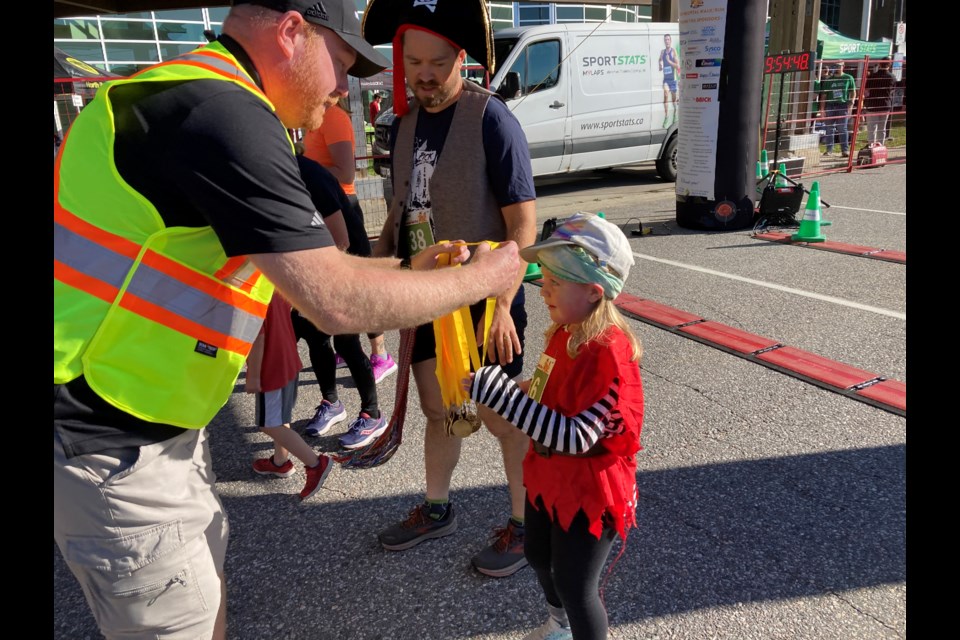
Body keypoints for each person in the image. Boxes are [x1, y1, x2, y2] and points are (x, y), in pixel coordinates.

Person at [53, 1, 521, 638]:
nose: (341, 88)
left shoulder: (181, 94)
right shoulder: (224, 113)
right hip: (111, 433)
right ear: (292, 31)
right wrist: (482, 278)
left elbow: (321, 274)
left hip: (135, 419)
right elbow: (332, 302)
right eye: (341, 62)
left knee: (202, 600)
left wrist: (420, 273)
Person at [363, 0, 538, 577]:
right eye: (414, 61)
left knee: (501, 417)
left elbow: (523, 226)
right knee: (438, 409)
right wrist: (377, 272)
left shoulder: (491, 118)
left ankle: (524, 524)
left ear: (461, 58)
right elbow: (405, 209)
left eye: (438, 61)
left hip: (486, 299)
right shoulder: (404, 122)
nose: (425, 73)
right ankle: (439, 509)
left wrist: (506, 306)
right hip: (426, 295)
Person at [466, 212, 645, 640]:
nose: (542, 289)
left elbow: (577, 437)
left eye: (554, 282)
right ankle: (559, 626)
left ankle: (576, 626)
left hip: (588, 489)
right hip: (549, 478)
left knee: (576, 585)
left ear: (593, 291)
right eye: (542, 279)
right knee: (537, 555)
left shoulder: (609, 353)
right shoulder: (565, 330)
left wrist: (502, 396)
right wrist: (508, 387)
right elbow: (543, 386)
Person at [292, 150, 388, 448]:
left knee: (347, 342)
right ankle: (331, 403)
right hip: (316, 268)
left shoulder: (311, 176)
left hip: (347, 266)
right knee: (315, 337)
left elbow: (341, 239)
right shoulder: (278, 176)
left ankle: (372, 415)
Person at [303, 96, 398, 385]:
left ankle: (381, 355)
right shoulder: (314, 116)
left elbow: (345, 172)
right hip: (323, 205)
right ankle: (348, 344)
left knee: (361, 286)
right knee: (337, 284)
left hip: (342, 205)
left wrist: (300, 169)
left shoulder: (332, 117)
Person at [246, 291, 332, 498]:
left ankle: (315, 463)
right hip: (288, 360)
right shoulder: (273, 284)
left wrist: (254, 376)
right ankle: (280, 461)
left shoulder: (252, 292)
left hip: (271, 369)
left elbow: (258, 336)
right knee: (281, 418)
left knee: (269, 424)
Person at [817, 62, 857, 157]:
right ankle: (829, 150)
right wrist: (822, 109)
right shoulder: (829, 80)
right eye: (835, 66)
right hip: (830, 105)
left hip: (842, 105)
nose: (837, 68)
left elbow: (853, 92)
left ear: (843, 67)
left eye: (839, 66)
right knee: (829, 128)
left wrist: (851, 103)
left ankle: (845, 150)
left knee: (842, 128)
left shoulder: (848, 78)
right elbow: (824, 95)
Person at [863, 59, 895, 146]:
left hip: (873, 105)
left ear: (879, 65)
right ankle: (881, 146)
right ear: (889, 65)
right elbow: (892, 90)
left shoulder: (872, 76)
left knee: (872, 128)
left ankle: (871, 146)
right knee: (882, 128)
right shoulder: (892, 77)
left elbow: (866, 91)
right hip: (885, 104)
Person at [658, 33, 680, 129]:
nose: (667, 41)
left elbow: (677, 66)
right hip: (666, 80)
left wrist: (669, 61)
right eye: (665, 40)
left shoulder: (673, 52)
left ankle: (675, 115)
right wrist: (660, 64)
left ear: (670, 41)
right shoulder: (663, 52)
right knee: (666, 96)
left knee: (674, 100)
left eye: (668, 39)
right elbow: (660, 60)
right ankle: (666, 117)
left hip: (673, 79)